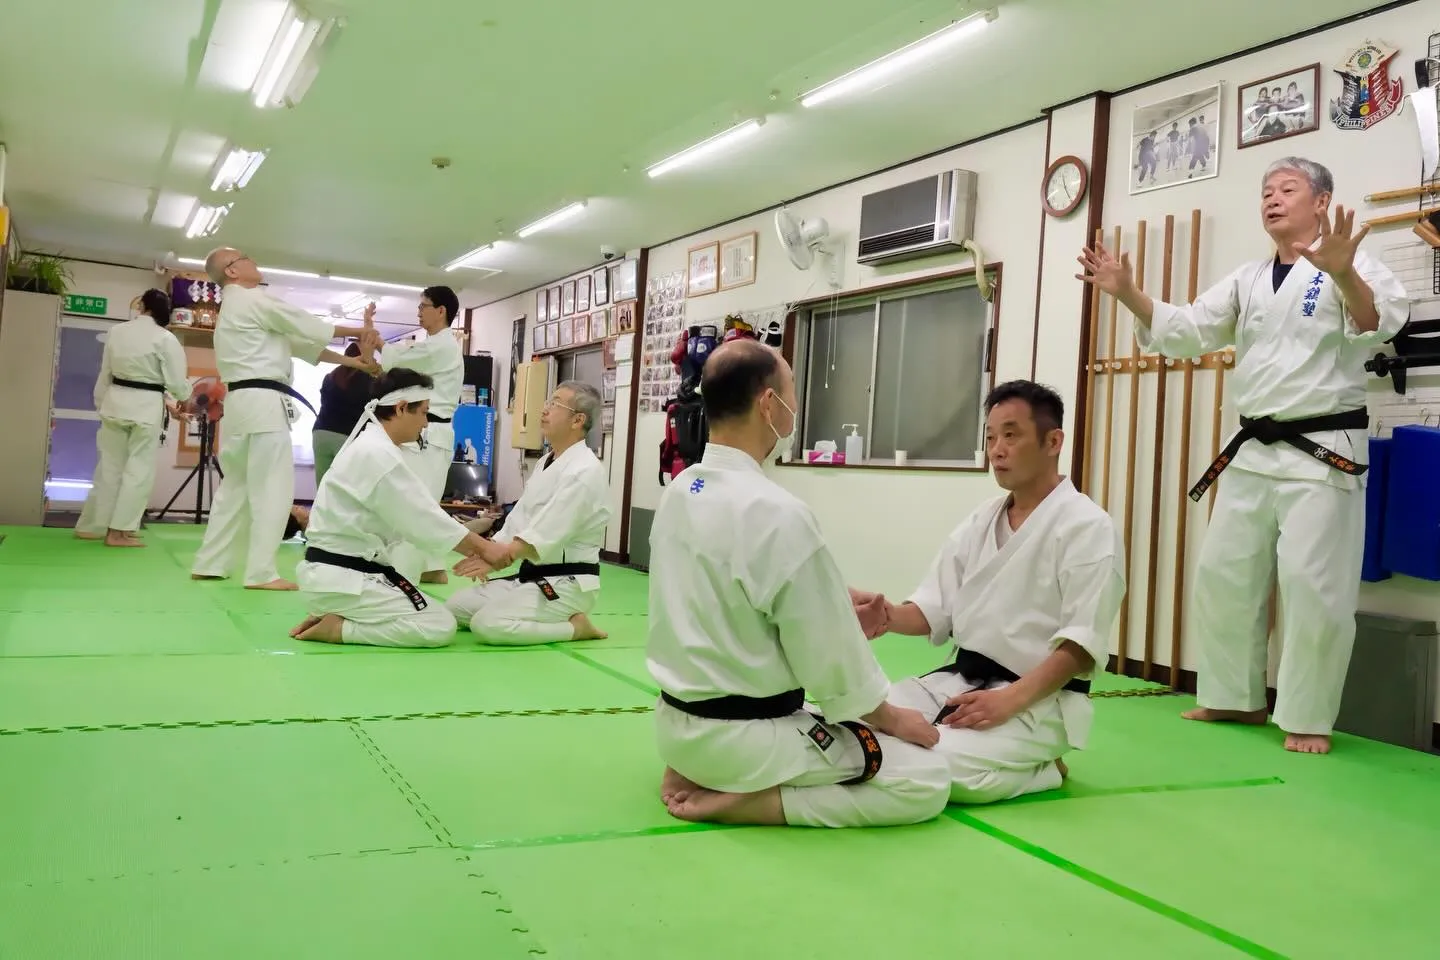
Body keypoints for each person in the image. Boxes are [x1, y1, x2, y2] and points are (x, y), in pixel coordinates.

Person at [1077, 156, 1410, 754]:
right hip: (1255, 448)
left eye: (1288, 189)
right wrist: (1127, 292)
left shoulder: (1354, 262)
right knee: (1223, 574)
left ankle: (1307, 716)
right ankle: (1234, 697)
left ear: (1321, 201)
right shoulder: (1248, 278)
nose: (1272, 199)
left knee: (1313, 586)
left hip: (1322, 451)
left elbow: (1376, 325)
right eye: (1266, 191)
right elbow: (1187, 331)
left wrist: (1343, 274)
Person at [646, 339, 950, 828]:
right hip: (744, 741)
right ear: (769, 404)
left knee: (822, 710)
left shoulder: (682, 490)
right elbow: (831, 662)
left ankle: (697, 769)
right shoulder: (776, 511)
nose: (795, 405)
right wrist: (893, 718)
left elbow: (727, 591)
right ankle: (751, 802)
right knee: (926, 779)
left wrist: (833, 598)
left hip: (674, 727)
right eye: (791, 392)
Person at [852, 381, 1125, 805]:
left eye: (1011, 435)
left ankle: (1041, 769)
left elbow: (1081, 646)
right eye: (992, 437)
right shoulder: (982, 520)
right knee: (852, 723)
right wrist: (885, 615)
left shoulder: (1087, 527)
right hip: (958, 682)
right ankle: (1027, 767)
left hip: (1036, 702)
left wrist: (1008, 702)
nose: (997, 450)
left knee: (922, 762)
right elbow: (932, 608)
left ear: (1053, 442)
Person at [189, 247, 379, 590]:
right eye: (245, 258)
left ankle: (210, 562)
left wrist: (352, 362)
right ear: (232, 271)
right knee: (271, 488)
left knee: (235, 487)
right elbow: (304, 324)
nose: (253, 261)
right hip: (263, 404)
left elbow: (296, 342)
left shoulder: (234, 308)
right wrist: (360, 331)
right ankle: (261, 573)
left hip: (241, 404)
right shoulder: (252, 300)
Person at [290, 368, 496, 647]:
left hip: (338, 575)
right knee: (438, 625)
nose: (426, 423)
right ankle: (340, 629)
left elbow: (417, 521)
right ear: (400, 408)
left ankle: (335, 614)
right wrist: (486, 550)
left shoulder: (373, 446)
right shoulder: (377, 454)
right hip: (345, 578)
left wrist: (476, 547)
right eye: (423, 412)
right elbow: (423, 520)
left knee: (436, 609)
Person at [446, 380, 610, 645]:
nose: (545, 410)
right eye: (547, 402)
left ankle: (575, 628)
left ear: (577, 420)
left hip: (566, 583)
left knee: (487, 625)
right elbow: (520, 516)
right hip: (530, 576)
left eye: (555, 404)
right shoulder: (547, 461)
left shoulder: (585, 471)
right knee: (454, 608)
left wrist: (504, 555)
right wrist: (490, 550)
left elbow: (549, 529)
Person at [75, 289, 193, 547]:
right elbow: (176, 384)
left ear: (142, 306)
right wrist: (185, 394)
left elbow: (105, 373)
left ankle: (92, 526)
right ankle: (119, 531)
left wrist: (102, 403)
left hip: (114, 403)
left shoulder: (117, 332)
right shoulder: (165, 338)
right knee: (138, 471)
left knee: (108, 467)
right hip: (145, 410)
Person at [375, 287, 465, 585]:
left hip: (430, 433)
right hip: (428, 433)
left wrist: (378, 343)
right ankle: (431, 568)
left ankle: (407, 572)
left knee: (413, 502)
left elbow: (400, 361)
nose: (418, 312)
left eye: (424, 306)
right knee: (422, 501)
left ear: (441, 311)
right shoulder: (435, 346)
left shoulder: (442, 345)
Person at [311, 341, 375, 485]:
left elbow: (323, 402)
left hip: (321, 434)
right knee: (346, 486)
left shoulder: (330, 376)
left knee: (323, 484)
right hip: (347, 436)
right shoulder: (368, 380)